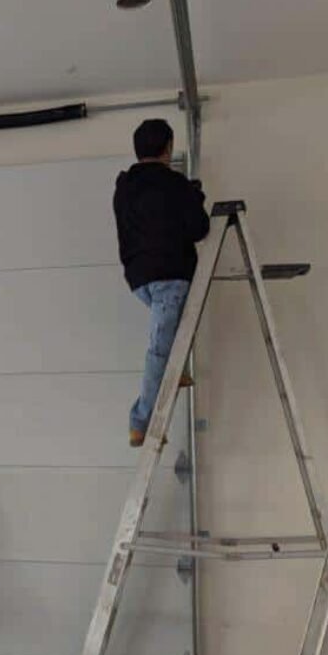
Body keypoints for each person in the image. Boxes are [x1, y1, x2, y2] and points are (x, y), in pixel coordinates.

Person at [113, 118, 211, 447]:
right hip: (170, 275)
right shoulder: (174, 184)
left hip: (138, 279)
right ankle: (140, 421)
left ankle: (175, 367)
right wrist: (195, 197)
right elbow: (199, 229)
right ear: (167, 148)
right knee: (159, 349)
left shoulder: (124, 187)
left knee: (171, 334)